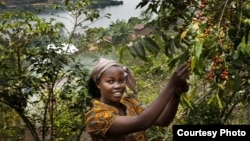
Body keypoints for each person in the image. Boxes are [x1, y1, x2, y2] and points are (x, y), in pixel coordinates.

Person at [85, 57, 189, 141]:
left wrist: (176, 93)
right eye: (110, 81)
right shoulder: (96, 117)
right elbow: (142, 123)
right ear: (98, 84)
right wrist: (171, 85)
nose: (117, 86)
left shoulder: (129, 102)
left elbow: (163, 121)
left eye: (121, 80)